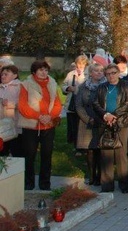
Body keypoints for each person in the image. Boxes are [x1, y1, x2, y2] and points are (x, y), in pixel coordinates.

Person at [17, 60, 62, 190]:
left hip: (48, 125)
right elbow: (23, 106)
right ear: (34, 72)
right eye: (41, 70)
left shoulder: (52, 83)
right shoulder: (26, 84)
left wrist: (50, 116)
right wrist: (39, 116)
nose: (44, 72)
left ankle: (45, 183)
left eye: (46, 70)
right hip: (31, 126)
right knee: (29, 156)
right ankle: (29, 183)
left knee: (47, 155)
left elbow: (58, 104)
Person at [94, 64, 128, 193]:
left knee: (121, 154)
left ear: (118, 73)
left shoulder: (126, 85)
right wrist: (106, 115)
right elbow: (95, 103)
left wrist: (115, 116)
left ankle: (123, 184)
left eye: (113, 73)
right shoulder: (101, 87)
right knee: (106, 154)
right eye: (108, 74)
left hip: (121, 122)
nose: (111, 76)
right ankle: (107, 185)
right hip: (105, 122)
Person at [75, 63, 106, 186]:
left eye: (101, 70)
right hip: (86, 122)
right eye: (96, 70)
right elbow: (78, 105)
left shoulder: (106, 86)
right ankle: (92, 175)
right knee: (90, 150)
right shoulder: (83, 87)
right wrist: (87, 119)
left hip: (102, 121)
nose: (99, 73)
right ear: (91, 72)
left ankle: (100, 176)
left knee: (100, 149)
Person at [62, 55, 88, 146]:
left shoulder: (87, 74)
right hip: (71, 103)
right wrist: (68, 88)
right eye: (79, 63)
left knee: (80, 126)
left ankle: (79, 145)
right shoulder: (70, 74)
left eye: (83, 64)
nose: (80, 66)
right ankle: (72, 141)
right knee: (72, 125)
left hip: (82, 104)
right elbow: (63, 86)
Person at [0, 65, 22, 157]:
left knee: (16, 152)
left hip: (15, 126)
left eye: (6, 74)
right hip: (2, 127)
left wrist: (9, 104)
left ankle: (17, 171)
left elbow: (24, 105)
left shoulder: (20, 87)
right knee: (2, 151)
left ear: (15, 75)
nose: (3, 76)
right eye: (2, 74)